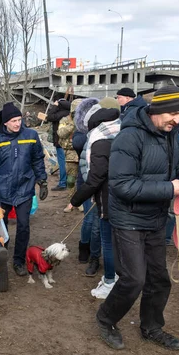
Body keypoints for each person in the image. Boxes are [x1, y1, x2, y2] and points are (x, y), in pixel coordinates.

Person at [97, 86, 179, 350]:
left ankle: (152, 327)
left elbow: (175, 165)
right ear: (156, 110)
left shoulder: (169, 134)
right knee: (134, 279)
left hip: (155, 217)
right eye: (173, 113)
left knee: (159, 279)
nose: (177, 120)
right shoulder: (129, 138)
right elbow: (121, 185)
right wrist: (169, 189)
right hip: (128, 219)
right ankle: (105, 319)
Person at [0, 102, 48, 276]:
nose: (17, 124)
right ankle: (1, 255)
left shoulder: (31, 136)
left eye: (19, 120)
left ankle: (18, 260)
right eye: (13, 121)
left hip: (24, 188)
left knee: (24, 226)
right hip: (1, 191)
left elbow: (37, 160)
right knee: (1, 226)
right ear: (5, 123)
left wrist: (42, 180)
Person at [71, 106, 121, 299]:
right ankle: (116, 276)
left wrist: (75, 200)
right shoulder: (125, 134)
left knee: (107, 242)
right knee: (118, 242)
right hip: (125, 198)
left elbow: (95, 178)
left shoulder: (99, 142)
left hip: (107, 199)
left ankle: (110, 281)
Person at [72, 97, 101, 274]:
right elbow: (77, 144)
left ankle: (95, 254)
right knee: (89, 220)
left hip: (101, 184)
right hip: (87, 182)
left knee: (98, 222)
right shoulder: (82, 134)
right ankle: (84, 249)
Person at [46, 98, 71, 191]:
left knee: (62, 163)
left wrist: (54, 106)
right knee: (69, 163)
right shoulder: (69, 113)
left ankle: (62, 183)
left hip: (60, 142)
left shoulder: (59, 114)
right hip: (69, 143)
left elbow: (49, 117)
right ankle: (69, 181)